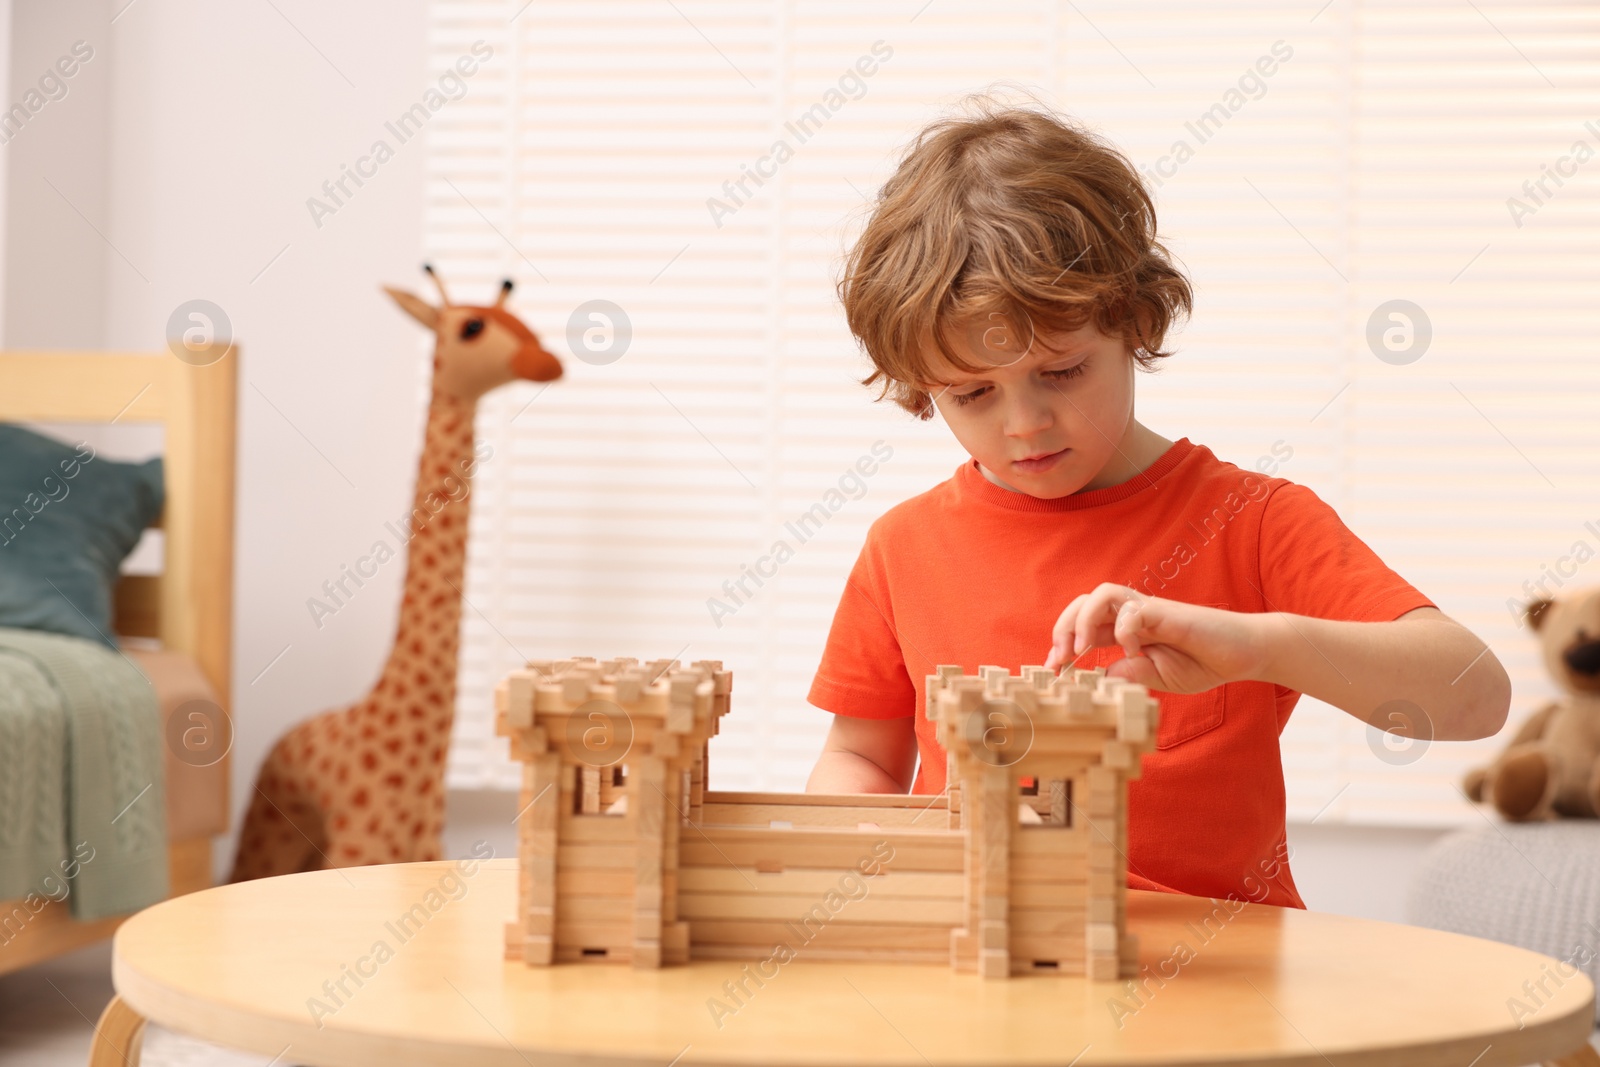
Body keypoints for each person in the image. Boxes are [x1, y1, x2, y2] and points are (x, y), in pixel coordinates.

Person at [803, 100, 1510, 908]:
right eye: (971, 394)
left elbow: (1475, 697)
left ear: (1135, 321)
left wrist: (1258, 648)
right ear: (924, 388)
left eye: (1062, 372)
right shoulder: (902, 547)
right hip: (978, 975)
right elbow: (861, 756)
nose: (1024, 423)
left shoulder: (1252, 522)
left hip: (1216, 997)